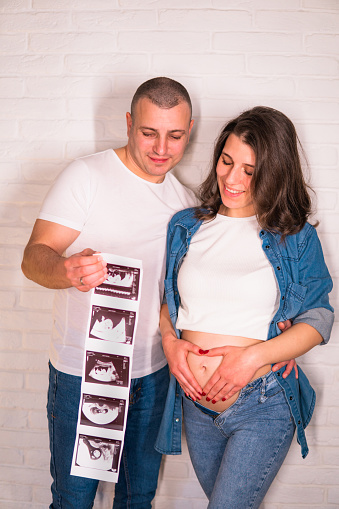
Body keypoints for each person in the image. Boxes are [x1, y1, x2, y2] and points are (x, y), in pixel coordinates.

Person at [21, 77, 197, 509]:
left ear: (188, 130)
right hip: (84, 375)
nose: (161, 148)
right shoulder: (87, 175)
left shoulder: (187, 203)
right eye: (148, 132)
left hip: (153, 377)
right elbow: (33, 257)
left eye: (174, 135)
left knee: (138, 499)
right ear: (128, 123)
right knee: (74, 500)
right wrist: (65, 270)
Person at [156, 106, 334, 508]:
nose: (232, 179)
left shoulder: (295, 238)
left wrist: (252, 357)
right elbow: (169, 301)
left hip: (261, 404)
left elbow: (318, 318)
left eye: (250, 171)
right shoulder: (185, 227)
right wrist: (170, 341)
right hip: (196, 407)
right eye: (227, 161)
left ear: (274, 173)